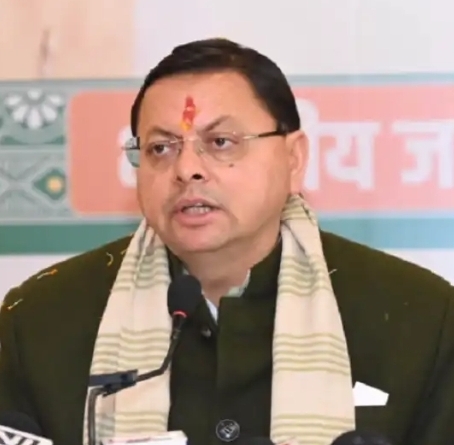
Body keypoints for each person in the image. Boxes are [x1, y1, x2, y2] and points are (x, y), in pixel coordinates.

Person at [0, 38, 453, 445]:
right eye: (161, 148)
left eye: (220, 142)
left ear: (294, 159)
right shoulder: (42, 323)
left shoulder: (419, 320)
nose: (186, 170)